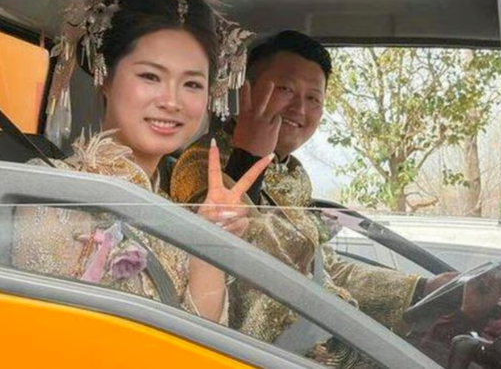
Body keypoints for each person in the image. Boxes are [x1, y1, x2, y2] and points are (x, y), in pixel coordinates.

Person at [12, 0, 271, 323]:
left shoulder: (175, 211)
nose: (171, 101)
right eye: (150, 76)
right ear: (106, 74)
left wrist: (210, 241)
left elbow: (203, 343)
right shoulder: (51, 195)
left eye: (192, 84)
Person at [168, 31, 445, 346]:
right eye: (285, 89)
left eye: (313, 98)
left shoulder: (292, 172)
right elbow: (233, 263)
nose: (299, 108)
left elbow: (319, 269)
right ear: (248, 91)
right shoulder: (203, 164)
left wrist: (422, 289)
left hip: (322, 338)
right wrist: (249, 157)